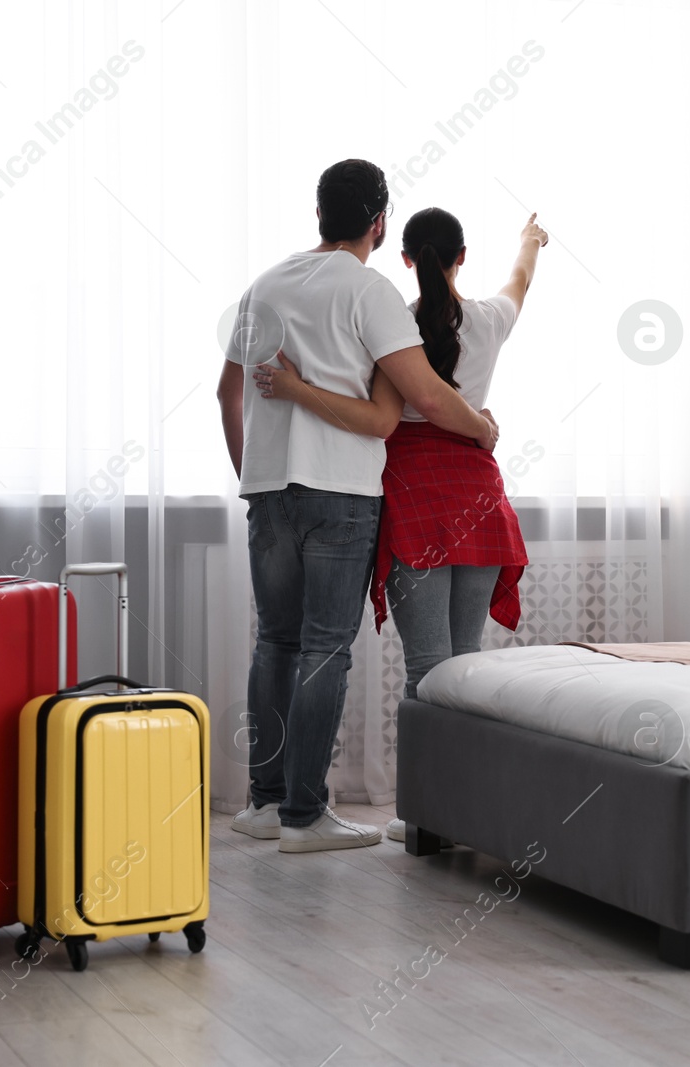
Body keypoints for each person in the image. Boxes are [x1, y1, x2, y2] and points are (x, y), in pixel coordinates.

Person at [217, 160, 499, 853]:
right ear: (378, 223)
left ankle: (266, 802)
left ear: (319, 212)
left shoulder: (266, 284)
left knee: (275, 642)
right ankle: (306, 816)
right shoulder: (367, 291)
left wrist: (256, 476)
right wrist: (484, 428)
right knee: (323, 648)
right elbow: (415, 404)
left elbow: (228, 396)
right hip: (339, 493)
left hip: (268, 490)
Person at [254, 207, 546, 843]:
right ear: (462, 256)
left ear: (406, 259)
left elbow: (389, 409)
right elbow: (520, 281)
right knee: (464, 666)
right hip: (478, 493)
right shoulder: (492, 320)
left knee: (427, 670)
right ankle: (457, 815)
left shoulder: (396, 326)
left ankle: (422, 816)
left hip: (414, 495)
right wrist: (529, 241)